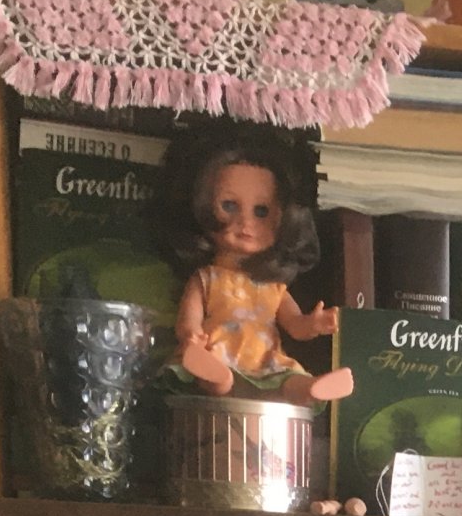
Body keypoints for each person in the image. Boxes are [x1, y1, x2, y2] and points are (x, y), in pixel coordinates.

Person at [151, 123, 353, 405]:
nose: (245, 223)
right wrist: (190, 335)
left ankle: (310, 389)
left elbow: (295, 326)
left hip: (265, 360)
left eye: (261, 211)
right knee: (213, 373)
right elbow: (189, 319)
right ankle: (215, 379)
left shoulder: (274, 287)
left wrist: (313, 324)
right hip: (218, 351)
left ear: (285, 218)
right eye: (229, 206)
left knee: (289, 379)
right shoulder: (207, 278)